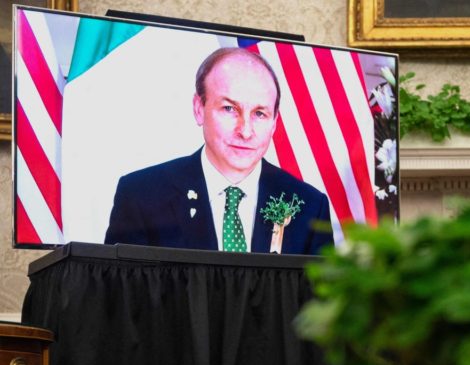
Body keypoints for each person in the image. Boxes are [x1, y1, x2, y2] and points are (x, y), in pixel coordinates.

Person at [104, 47, 333, 254]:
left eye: (259, 113)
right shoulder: (141, 196)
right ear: (199, 109)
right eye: (229, 109)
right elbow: (121, 296)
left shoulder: (310, 206)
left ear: (274, 122)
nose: (245, 131)